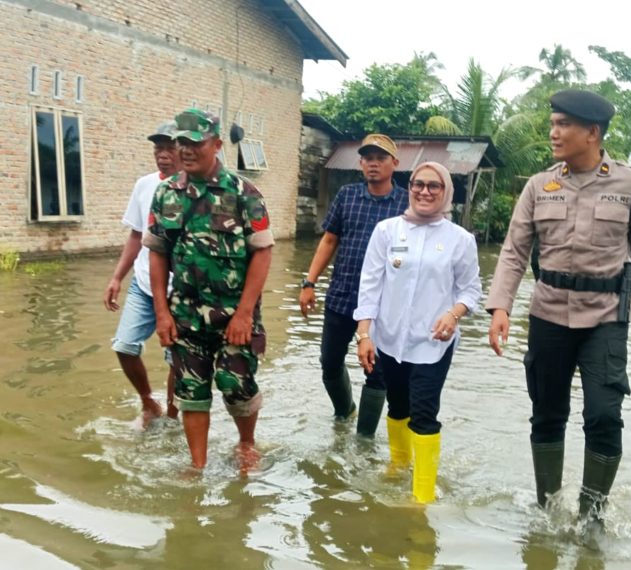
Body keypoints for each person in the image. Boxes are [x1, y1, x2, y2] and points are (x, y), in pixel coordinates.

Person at [484, 89, 631, 530]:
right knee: (547, 411)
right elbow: (513, 252)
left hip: (604, 315)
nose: (553, 132)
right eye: (553, 123)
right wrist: (500, 306)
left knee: (604, 413)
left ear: (592, 132)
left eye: (563, 124)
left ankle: (591, 515)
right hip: (547, 313)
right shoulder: (538, 186)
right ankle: (548, 509)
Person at [143, 108, 274, 471]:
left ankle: (246, 444)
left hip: (234, 312)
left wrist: (246, 313)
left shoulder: (243, 192)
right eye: (180, 142)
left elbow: (263, 251)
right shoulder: (166, 193)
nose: (185, 149)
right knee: (191, 391)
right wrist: (161, 313)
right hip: (184, 313)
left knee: (236, 384)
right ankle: (197, 466)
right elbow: (157, 253)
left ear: (216, 144)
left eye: (194, 142)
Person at [354, 162, 482, 504]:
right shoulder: (387, 231)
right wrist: (364, 333)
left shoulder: (460, 239)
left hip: (433, 342)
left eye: (434, 186)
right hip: (389, 339)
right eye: (418, 184)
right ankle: (399, 463)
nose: (424, 191)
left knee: (424, 412)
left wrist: (454, 314)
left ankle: (422, 497)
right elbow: (370, 285)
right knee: (397, 406)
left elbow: (471, 291)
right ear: (408, 187)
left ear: (446, 192)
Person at [299, 134, 409, 437]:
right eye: (368, 158)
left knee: (377, 373)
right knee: (329, 362)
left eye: (381, 158)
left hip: (384, 304)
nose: (373, 163)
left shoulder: (406, 203)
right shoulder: (347, 196)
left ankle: (364, 439)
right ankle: (344, 411)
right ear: (360, 163)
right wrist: (309, 282)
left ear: (394, 164)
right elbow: (330, 240)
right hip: (343, 294)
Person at [103, 121, 181, 428]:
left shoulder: (193, 188)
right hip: (144, 282)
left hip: (180, 288)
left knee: (177, 358)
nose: (162, 154)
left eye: (169, 148)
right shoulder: (144, 185)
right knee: (124, 345)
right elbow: (137, 235)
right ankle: (149, 402)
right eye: (157, 148)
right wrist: (116, 278)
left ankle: (174, 414)